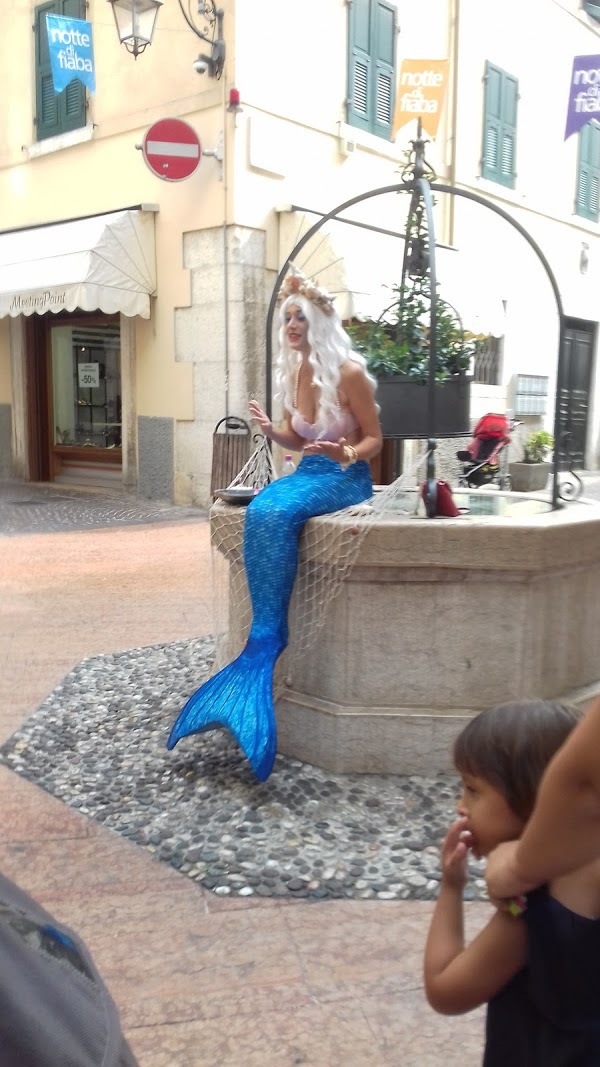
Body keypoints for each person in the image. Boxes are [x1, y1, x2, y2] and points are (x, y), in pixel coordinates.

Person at [167, 267, 382, 780]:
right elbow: (294, 437)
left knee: (273, 508)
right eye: (286, 317)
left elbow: (375, 439)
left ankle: (266, 638)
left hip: (344, 478)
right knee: (263, 507)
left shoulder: (349, 373)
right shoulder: (298, 373)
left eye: (298, 317)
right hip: (308, 471)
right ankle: (263, 644)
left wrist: (346, 451)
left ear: (318, 324)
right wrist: (272, 431)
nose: (290, 324)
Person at [424, 699, 600, 1065]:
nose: (461, 805)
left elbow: (445, 990)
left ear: (534, 799)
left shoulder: (531, 911)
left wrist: (451, 886)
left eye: (473, 789)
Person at [486, 694, 600, 900]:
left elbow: (583, 782)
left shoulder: (538, 898)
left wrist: (515, 870)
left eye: (472, 790)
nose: (459, 806)